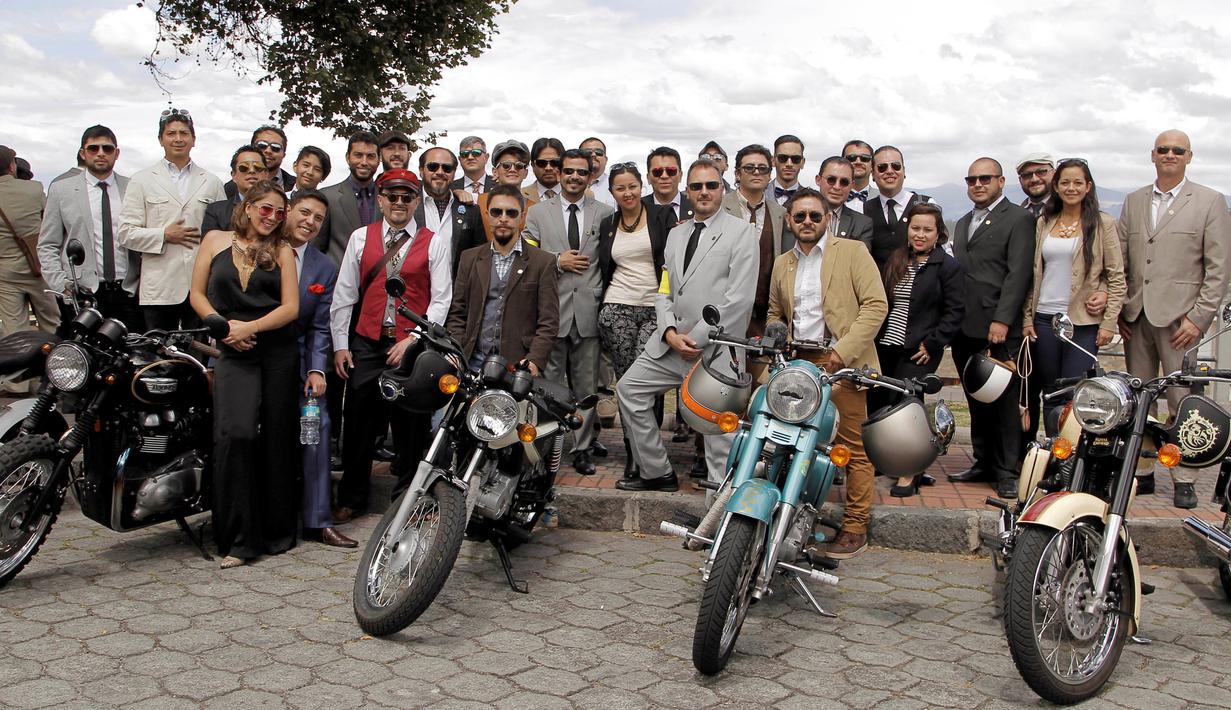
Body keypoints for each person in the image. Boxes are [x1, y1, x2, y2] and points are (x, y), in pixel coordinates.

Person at [615, 160, 757, 492]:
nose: (704, 192)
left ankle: (718, 512)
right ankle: (656, 472)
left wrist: (693, 339)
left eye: (711, 185)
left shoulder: (742, 233)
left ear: (723, 188)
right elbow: (665, 288)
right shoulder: (676, 234)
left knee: (719, 431)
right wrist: (667, 331)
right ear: (687, 191)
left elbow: (738, 301)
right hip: (670, 343)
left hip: (717, 351)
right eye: (696, 186)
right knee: (628, 390)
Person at [766, 188, 887, 557]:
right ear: (789, 220)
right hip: (797, 364)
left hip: (842, 364)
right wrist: (777, 335)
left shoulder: (852, 252)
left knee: (851, 448)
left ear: (827, 219)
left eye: (814, 216)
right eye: (799, 216)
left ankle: (855, 526)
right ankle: (788, 518)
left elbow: (876, 305)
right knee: (787, 440)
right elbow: (775, 311)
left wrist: (842, 351)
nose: (806, 222)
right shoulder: (782, 262)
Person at [329, 169, 453, 523]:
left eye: (407, 197)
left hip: (411, 345)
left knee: (410, 425)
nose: (399, 203)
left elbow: (441, 300)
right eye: (392, 196)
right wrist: (341, 343)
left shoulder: (434, 241)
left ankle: (409, 501)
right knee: (357, 423)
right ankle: (353, 497)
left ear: (417, 201)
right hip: (368, 341)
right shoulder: (359, 237)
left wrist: (414, 337)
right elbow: (344, 295)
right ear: (380, 200)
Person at [188, 180, 300, 568]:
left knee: (275, 436)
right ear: (248, 207)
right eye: (265, 208)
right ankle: (238, 538)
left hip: (277, 351)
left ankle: (276, 532)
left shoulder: (284, 251)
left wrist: (250, 328)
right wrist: (223, 328)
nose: (272, 216)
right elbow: (197, 295)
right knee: (233, 434)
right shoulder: (215, 240)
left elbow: (290, 308)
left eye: (279, 211)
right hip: (231, 348)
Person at [1117, 129, 1231, 508]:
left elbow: (1218, 268)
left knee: (1184, 401)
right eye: (1163, 149)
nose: (1169, 155)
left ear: (1189, 156)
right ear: (1152, 155)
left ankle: (1185, 476)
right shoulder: (1133, 201)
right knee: (1140, 397)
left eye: (1177, 150)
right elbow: (1121, 258)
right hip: (1137, 316)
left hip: (1183, 321)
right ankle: (1145, 471)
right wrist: (1120, 310)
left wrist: (1199, 318)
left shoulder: (1210, 202)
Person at [948, 158, 1036, 499]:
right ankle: (982, 460)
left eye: (985, 178)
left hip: (999, 327)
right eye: (971, 179)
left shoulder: (1018, 219)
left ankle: (1006, 470)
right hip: (964, 326)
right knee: (975, 398)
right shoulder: (964, 222)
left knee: (1003, 402)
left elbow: (1018, 274)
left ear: (1001, 181)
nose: (978, 184)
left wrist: (1002, 319)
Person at [523, 149, 615, 475]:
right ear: (559, 174)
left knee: (586, 386)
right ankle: (546, 444)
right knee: (548, 385)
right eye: (569, 171)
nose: (575, 177)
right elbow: (526, 254)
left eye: (581, 172)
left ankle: (582, 447)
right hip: (551, 311)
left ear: (590, 176)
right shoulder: (536, 213)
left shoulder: (605, 213)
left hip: (588, 310)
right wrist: (555, 260)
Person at [1022, 158, 1125, 439]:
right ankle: (1054, 453)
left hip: (1083, 321)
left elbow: (1116, 276)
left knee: (1075, 391)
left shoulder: (1103, 223)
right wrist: (1027, 318)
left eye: (1078, 182)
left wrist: (1108, 323)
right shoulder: (1045, 222)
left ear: (1088, 186)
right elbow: (1034, 273)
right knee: (1050, 392)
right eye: (1065, 182)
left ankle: (1072, 456)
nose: (1071, 188)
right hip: (1044, 318)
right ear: (1056, 185)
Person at [872, 203, 965, 497]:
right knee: (883, 402)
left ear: (938, 233)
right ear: (907, 229)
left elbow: (955, 311)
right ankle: (889, 458)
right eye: (915, 228)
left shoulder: (947, 266)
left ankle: (910, 471)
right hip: (887, 344)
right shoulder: (896, 258)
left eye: (927, 229)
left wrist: (933, 343)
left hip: (920, 349)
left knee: (908, 405)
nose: (920, 235)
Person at [283, 188, 355, 548]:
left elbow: (318, 326)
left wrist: (316, 369)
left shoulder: (323, 266)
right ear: (287, 210)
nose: (309, 222)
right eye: (304, 212)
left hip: (301, 368)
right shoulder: (262, 251)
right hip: (258, 364)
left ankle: (317, 519)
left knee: (316, 429)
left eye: (318, 219)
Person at [118, 109, 226, 332]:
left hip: (200, 285)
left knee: (198, 353)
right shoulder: (142, 180)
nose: (178, 139)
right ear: (160, 139)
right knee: (158, 356)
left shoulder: (211, 182)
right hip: (159, 286)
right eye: (171, 133)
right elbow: (125, 233)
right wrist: (164, 235)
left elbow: (224, 234)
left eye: (184, 133)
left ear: (193, 140)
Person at [596, 164, 670, 480]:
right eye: (620, 188)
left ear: (642, 186)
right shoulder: (607, 224)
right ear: (611, 191)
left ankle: (650, 455)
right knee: (626, 383)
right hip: (618, 309)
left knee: (646, 383)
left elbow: (671, 264)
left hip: (655, 309)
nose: (627, 193)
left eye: (632, 186)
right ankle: (633, 454)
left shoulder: (661, 217)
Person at [37, 125, 142, 331]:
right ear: (83, 153)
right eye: (94, 148)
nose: (101, 153)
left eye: (107, 148)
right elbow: (48, 244)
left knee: (133, 357)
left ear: (117, 153)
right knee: (85, 357)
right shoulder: (62, 190)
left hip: (128, 291)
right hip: (83, 294)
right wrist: (62, 285)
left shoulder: (133, 187)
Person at [447, 184, 559, 374]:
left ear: (522, 217)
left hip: (517, 369)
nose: (503, 218)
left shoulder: (543, 261)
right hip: (471, 365)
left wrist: (534, 361)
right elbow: (458, 312)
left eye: (511, 213)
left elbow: (549, 321)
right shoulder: (469, 258)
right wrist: (457, 351)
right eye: (497, 212)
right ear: (487, 214)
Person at [721, 144, 789, 379]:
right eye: (750, 168)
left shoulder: (780, 213)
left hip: (764, 312)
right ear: (738, 174)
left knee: (761, 380)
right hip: (726, 311)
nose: (757, 172)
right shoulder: (720, 207)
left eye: (762, 168)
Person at [0, 145, 59, 365]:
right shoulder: (33, 190)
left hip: (5, 270)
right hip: (38, 266)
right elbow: (51, 222)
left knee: (13, 326)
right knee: (51, 322)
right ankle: (55, 372)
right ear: (11, 166)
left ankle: (17, 381)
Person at [862, 146, 934, 271]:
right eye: (882, 167)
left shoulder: (927, 204)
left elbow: (943, 251)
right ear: (873, 174)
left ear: (904, 171)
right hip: (878, 288)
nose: (889, 171)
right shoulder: (864, 210)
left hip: (919, 286)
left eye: (896, 166)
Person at [415, 146, 484, 274]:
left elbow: (479, 256)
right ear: (421, 170)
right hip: (415, 290)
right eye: (433, 167)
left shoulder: (471, 211)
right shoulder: (407, 207)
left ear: (453, 173)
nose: (440, 172)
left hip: (455, 291)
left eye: (447, 168)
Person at [315, 131, 381, 264]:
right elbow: (316, 248)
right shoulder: (327, 197)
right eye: (358, 155)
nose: (364, 162)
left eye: (370, 156)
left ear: (379, 160)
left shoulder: (388, 199)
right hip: (336, 281)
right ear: (348, 157)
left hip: (378, 281)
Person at [203, 146, 268, 235]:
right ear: (233, 175)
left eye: (258, 167)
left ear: (266, 174)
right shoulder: (217, 211)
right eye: (244, 167)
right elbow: (210, 245)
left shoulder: (281, 209)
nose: (252, 171)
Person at [815, 156, 874, 250]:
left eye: (844, 182)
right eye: (831, 180)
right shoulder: (799, 216)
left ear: (852, 185)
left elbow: (860, 261)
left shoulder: (862, 224)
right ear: (818, 180)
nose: (837, 187)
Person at [478, 140, 534, 240]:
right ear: (495, 172)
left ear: (525, 172)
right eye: (506, 165)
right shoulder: (478, 203)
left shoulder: (534, 208)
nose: (512, 169)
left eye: (519, 166)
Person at [225, 125, 294, 198]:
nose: (268, 151)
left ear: (284, 154)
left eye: (276, 147)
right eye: (262, 145)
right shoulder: (229, 188)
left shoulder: (296, 185)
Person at [643, 146, 694, 223]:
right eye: (657, 172)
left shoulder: (695, 206)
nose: (664, 176)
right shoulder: (638, 208)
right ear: (648, 178)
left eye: (671, 171)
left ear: (680, 175)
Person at [523, 137, 565, 204]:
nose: (548, 168)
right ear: (533, 165)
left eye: (555, 162)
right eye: (541, 163)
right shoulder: (519, 196)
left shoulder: (583, 195)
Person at [770, 134, 806, 206]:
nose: (789, 164)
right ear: (773, 161)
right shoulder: (758, 193)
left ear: (802, 163)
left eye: (796, 159)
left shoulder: (811, 199)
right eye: (783, 158)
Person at [841, 139, 877, 209]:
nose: (858, 162)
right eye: (851, 158)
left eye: (865, 158)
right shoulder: (826, 200)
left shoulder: (883, 198)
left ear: (872, 165)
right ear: (842, 164)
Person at [580, 137, 615, 208]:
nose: (593, 155)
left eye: (599, 152)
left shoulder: (615, 185)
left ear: (606, 160)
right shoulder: (568, 184)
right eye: (588, 152)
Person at [1017, 153, 1054, 219]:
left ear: (1054, 174)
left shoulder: (1069, 209)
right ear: (1020, 180)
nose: (1034, 179)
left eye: (1041, 172)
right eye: (1027, 175)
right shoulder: (1015, 215)